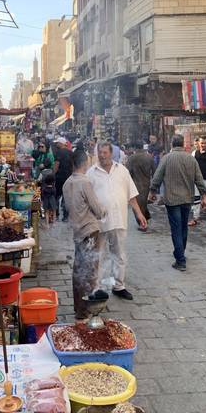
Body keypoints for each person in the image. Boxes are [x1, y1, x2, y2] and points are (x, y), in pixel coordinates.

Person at [87, 141, 147, 300]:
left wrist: (139, 214)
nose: (102, 155)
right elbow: (85, 198)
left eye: (105, 152)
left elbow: (131, 195)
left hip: (119, 219)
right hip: (99, 222)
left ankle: (119, 286)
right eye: (100, 153)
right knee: (98, 255)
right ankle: (96, 287)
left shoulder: (122, 170)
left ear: (111, 153)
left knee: (119, 254)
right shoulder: (91, 173)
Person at [149, 134, 206, 271]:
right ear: (182, 144)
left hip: (172, 199)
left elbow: (157, 177)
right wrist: (204, 196)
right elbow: (199, 179)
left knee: (176, 228)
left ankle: (180, 260)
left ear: (172, 144)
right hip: (187, 198)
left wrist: (152, 191)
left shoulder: (166, 158)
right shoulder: (191, 159)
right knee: (183, 227)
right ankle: (180, 253)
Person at [63, 149, 106, 321]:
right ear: (84, 163)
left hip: (77, 231)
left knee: (79, 270)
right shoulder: (85, 182)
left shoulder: (67, 183)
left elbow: (68, 209)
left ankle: (79, 308)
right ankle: (86, 311)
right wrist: (105, 210)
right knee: (89, 271)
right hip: (90, 231)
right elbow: (97, 209)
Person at [126, 141, 155, 226]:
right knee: (143, 203)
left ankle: (142, 223)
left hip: (135, 184)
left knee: (137, 205)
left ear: (135, 148)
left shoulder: (132, 158)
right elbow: (154, 172)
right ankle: (145, 219)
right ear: (142, 147)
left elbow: (127, 172)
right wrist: (153, 187)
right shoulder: (149, 157)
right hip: (146, 184)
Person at [54, 137, 73, 221]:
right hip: (68, 177)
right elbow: (73, 166)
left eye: (57, 143)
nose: (56, 144)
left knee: (57, 196)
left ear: (61, 143)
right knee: (66, 197)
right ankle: (65, 216)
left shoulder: (59, 152)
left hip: (59, 178)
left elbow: (56, 165)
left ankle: (57, 214)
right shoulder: (70, 153)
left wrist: (53, 174)